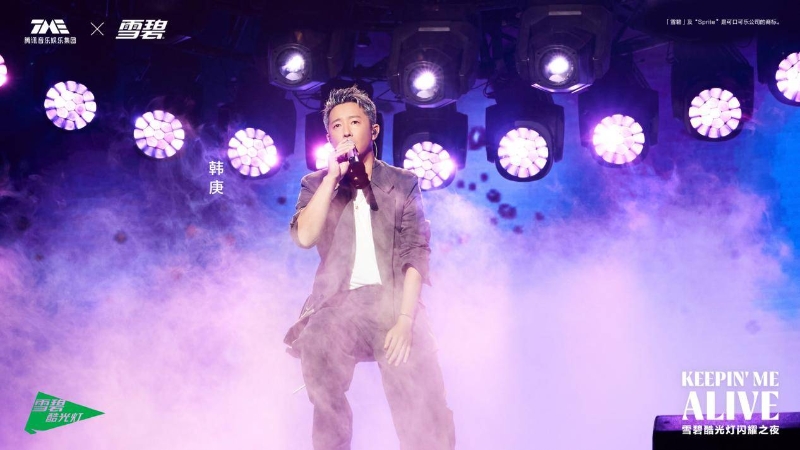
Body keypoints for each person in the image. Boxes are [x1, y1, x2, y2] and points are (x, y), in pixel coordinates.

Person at [284, 85, 456, 450]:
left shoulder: (402, 183)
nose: (345, 131)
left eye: (354, 122)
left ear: (373, 130)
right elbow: (304, 237)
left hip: (393, 304)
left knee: (421, 399)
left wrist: (406, 320)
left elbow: (416, 253)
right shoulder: (315, 184)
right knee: (317, 341)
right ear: (329, 137)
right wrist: (332, 179)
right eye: (336, 126)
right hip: (338, 305)